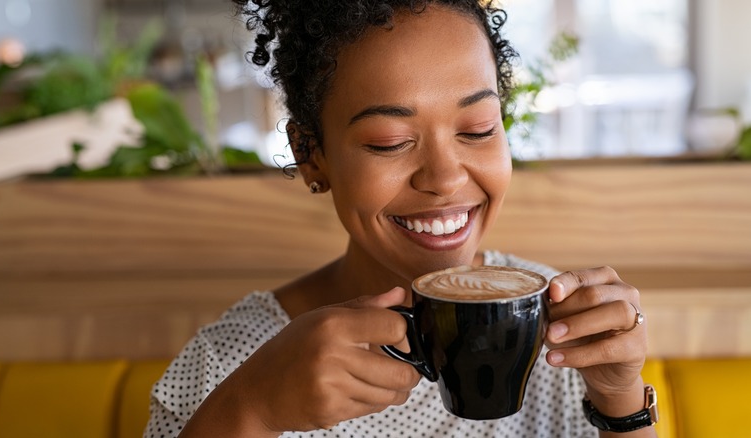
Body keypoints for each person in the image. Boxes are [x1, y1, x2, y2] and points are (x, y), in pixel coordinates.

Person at [145, 1, 655, 437]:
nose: (445, 177)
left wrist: (620, 398)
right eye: (389, 141)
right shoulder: (227, 364)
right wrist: (250, 409)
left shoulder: (561, 332)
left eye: (477, 130)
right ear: (311, 155)